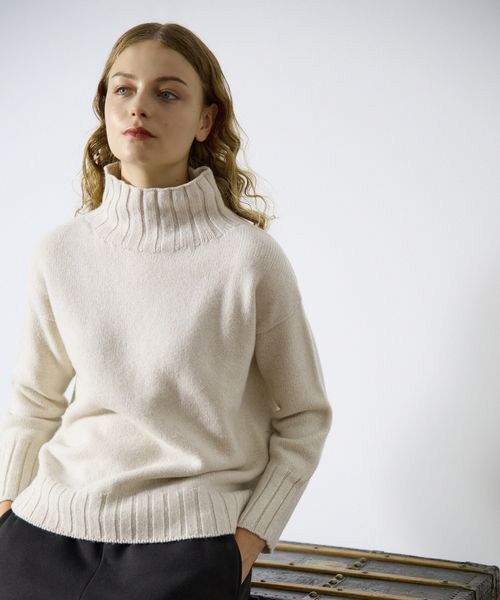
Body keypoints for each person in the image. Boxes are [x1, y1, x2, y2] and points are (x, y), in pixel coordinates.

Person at [0, 21, 333, 600]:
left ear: (206, 120)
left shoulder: (248, 258)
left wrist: (248, 540)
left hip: (190, 549)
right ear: (105, 107)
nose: (139, 107)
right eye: (123, 89)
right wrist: (8, 506)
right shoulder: (61, 251)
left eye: (168, 93)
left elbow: (304, 415)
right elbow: (34, 400)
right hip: (41, 534)